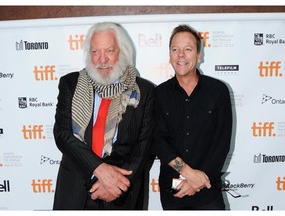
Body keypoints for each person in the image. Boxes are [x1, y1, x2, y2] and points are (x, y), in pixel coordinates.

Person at [53, 22, 155, 210]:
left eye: (109, 51)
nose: (101, 59)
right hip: (75, 192)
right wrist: (98, 169)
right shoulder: (70, 84)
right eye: (95, 52)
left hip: (121, 195)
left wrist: (115, 185)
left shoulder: (144, 91)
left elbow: (143, 148)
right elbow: (63, 134)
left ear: (122, 52)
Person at [153, 24, 232, 210]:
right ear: (170, 55)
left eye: (188, 49)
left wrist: (198, 180)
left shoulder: (218, 91)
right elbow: (158, 141)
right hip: (174, 190)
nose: (181, 55)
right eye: (175, 49)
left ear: (198, 55)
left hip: (208, 187)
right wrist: (188, 174)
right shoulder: (158, 94)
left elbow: (221, 143)